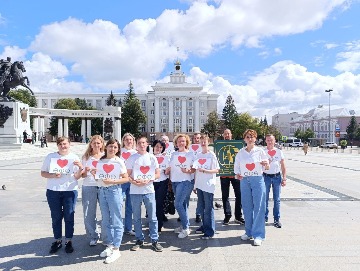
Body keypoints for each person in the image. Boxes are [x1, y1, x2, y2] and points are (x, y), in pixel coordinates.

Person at [40, 136, 83, 254]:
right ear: (57, 145)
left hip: (70, 190)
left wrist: (80, 167)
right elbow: (43, 173)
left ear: (69, 144)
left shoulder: (74, 157)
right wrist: (53, 175)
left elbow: (77, 177)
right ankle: (57, 240)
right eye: (60, 144)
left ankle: (68, 240)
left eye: (65, 144)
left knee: (69, 216)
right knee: (56, 217)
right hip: (53, 190)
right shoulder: (50, 157)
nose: (63, 146)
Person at [93, 138, 129, 264]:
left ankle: (116, 248)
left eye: (115, 147)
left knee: (116, 219)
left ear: (118, 149)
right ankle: (109, 245)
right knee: (106, 219)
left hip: (114, 191)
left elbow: (126, 178)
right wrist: (95, 175)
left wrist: (113, 181)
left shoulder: (119, 161)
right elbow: (99, 178)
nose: (112, 149)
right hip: (102, 190)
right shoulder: (101, 161)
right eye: (110, 146)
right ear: (106, 147)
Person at [126, 136, 163, 252]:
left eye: (143, 143)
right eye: (139, 143)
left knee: (152, 217)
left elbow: (157, 174)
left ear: (147, 144)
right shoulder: (132, 158)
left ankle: (154, 240)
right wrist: (134, 182)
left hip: (149, 190)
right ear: (136, 145)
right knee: (136, 218)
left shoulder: (152, 158)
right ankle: (139, 239)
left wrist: (148, 180)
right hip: (135, 191)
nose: (141, 145)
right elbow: (128, 175)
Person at [234, 129, 269, 246]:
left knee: (259, 207)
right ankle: (248, 231)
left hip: (257, 179)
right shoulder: (241, 152)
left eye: (252, 137)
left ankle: (258, 235)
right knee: (247, 206)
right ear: (244, 139)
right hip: (244, 180)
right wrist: (237, 174)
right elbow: (237, 166)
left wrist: (266, 164)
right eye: (248, 137)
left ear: (255, 139)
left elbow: (267, 166)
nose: (250, 139)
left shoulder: (260, 151)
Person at [166, 134, 195, 238]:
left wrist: (189, 171)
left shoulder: (191, 154)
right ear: (176, 143)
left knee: (177, 204)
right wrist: (168, 173)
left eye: (183, 141)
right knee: (183, 205)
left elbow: (194, 169)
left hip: (185, 181)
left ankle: (186, 228)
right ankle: (183, 225)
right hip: (175, 181)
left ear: (186, 142)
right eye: (179, 141)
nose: (181, 143)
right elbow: (170, 167)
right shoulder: (174, 154)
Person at [193, 135, 219, 239]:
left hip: (208, 185)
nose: (203, 143)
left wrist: (205, 171)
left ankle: (210, 231)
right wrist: (195, 185)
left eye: (205, 142)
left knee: (208, 208)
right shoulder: (198, 155)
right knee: (202, 207)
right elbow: (195, 170)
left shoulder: (211, 155)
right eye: (201, 141)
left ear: (208, 142)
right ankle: (205, 226)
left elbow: (217, 170)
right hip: (200, 184)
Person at [81, 135, 105, 246]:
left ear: (102, 144)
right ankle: (93, 235)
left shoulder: (105, 156)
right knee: (89, 213)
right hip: (89, 185)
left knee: (106, 212)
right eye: (94, 143)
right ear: (91, 144)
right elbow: (83, 175)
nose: (96, 145)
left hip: (103, 185)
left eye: (98, 143)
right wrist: (85, 171)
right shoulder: (86, 157)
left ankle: (106, 235)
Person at [220, 129, 244, 225]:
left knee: (239, 195)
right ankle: (227, 215)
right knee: (225, 196)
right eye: (225, 134)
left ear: (231, 135)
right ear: (223, 135)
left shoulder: (237, 145)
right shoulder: (219, 145)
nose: (226, 135)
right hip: (224, 175)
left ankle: (238, 216)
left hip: (235, 175)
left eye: (228, 134)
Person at [264, 134, 287, 228]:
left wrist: (284, 178)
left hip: (277, 177)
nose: (270, 142)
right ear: (265, 141)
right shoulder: (263, 152)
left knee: (277, 199)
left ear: (274, 141)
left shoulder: (278, 151)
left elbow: (283, 165)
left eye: (271, 140)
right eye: (268, 140)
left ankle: (276, 219)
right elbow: (259, 166)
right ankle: (264, 217)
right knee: (264, 199)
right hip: (265, 177)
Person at [120, 132, 137, 236]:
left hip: (132, 181)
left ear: (133, 141)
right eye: (126, 139)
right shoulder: (119, 151)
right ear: (123, 141)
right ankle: (118, 227)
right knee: (118, 204)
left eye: (130, 139)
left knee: (130, 206)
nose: (128, 141)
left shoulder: (136, 152)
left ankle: (128, 227)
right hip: (121, 181)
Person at [152, 139, 170, 233]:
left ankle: (159, 225)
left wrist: (167, 170)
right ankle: (152, 223)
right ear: (153, 147)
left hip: (162, 182)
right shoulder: (149, 157)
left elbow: (167, 172)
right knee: (151, 205)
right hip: (150, 182)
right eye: (156, 146)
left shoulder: (166, 158)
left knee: (159, 204)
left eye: (160, 147)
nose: (158, 149)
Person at [191, 132, 202, 223]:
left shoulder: (203, 149)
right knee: (185, 196)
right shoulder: (189, 149)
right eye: (195, 138)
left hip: (200, 174)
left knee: (200, 196)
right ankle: (183, 214)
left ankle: (199, 214)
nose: (196, 140)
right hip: (189, 174)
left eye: (198, 138)